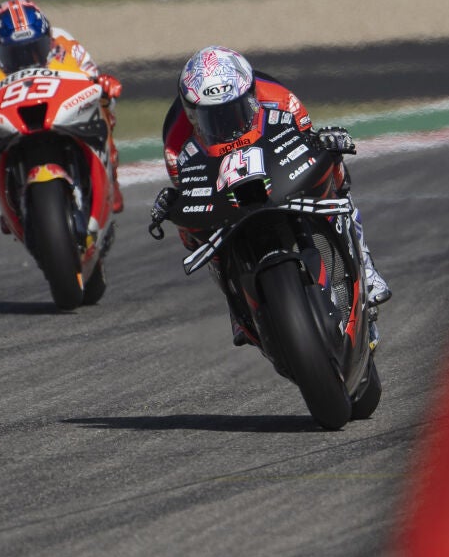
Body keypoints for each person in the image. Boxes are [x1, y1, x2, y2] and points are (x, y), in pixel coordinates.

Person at [155, 46, 391, 345]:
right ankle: (235, 303)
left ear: (250, 94)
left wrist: (327, 143)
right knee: (192, 232)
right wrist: (177, 206)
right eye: (213, 116)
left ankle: (365, 265)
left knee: (332, 165)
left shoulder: (279, 97)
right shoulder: (175, 140)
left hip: (270, 152)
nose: (225, 121)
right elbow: (188, 188)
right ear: (191, 113)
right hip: (218, 171)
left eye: (233, 108)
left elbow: (307, 140)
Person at [0, 0, 125, 214]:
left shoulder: (65, 41)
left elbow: (94, 83)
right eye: (15, 52)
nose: (28, 56)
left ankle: (111, 176)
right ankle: (5, 203)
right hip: (13, 122)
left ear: (48, 36)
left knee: (103, 108)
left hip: (59, 110)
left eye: (36, 47)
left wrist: (105, 88)